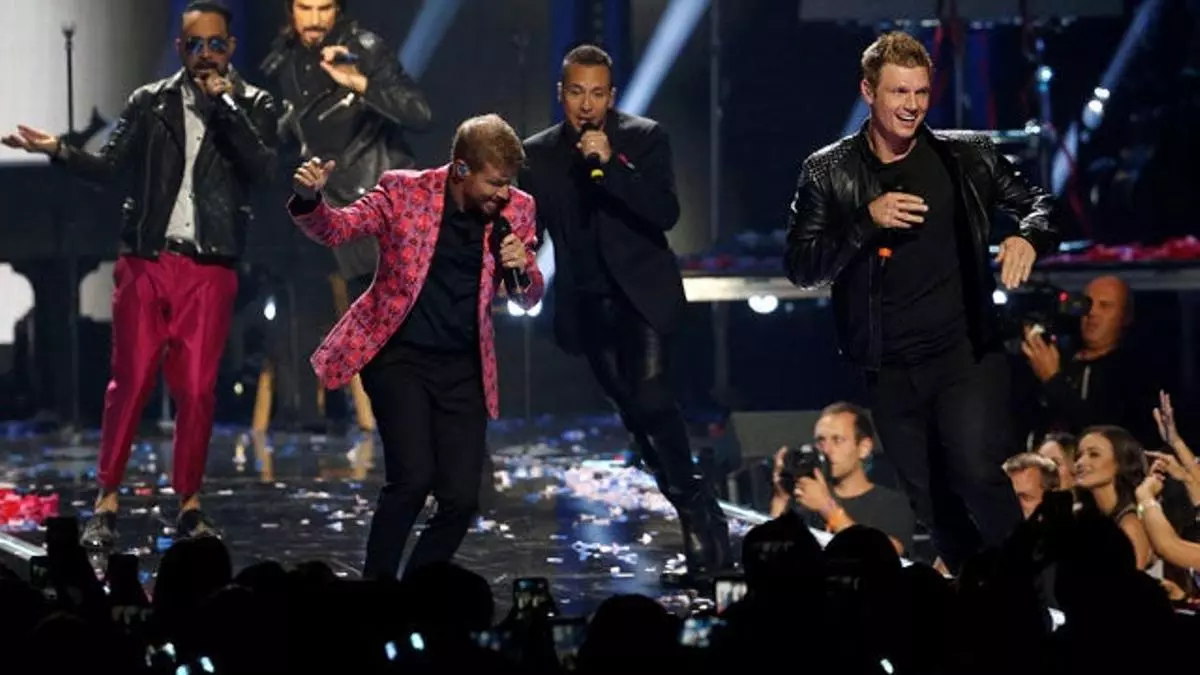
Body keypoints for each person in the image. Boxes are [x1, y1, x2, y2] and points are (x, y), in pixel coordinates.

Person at [2, 1, 278, 547]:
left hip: (210, 264)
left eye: (215, 44)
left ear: (230, 47)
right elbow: (110, 168)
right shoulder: (150, 102)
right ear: (180, 48)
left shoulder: (254, 104)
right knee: (128, 382)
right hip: (147, 259)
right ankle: (106, 497)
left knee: (196, 389)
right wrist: (58, 149)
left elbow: (263, 168)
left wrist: (225, 106)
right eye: (194, 45)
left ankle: (190, 502)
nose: (205, 55)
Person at [783, 32, 1059, 571]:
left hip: (964, 353)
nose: (912, 105)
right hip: (889, 364)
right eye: (898, 92)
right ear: (868, 91)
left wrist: (1028, 237)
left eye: (921, 92)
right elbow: (802, 266)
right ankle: (977, 588)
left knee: (976, 472)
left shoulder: (966, 156)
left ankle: (1024, 587)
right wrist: (866, 220)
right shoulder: (828, 170)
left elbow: (1040, 203)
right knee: (930, 501)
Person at [288, 114, 543, 580]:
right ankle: (378, 588)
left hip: (463, 364)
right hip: (399, 356)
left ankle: (416, 591)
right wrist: (310, 200)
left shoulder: (518, 209)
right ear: (461, 169)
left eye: (508, 183)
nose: (503, 193)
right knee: (412, 480)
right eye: (494, 182)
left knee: (462, 498)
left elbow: (527, 296)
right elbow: (338, 229)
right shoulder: (404, 192)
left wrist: (523, 268)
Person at [520, 44, 731, 581]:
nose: (586, 105)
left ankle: (694, 516)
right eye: (576, 92)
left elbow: (665, 211)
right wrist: (515, 256)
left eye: (597, 94)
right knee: (637, 419)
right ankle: (698, 503)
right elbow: (530, 230)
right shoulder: (537, 154)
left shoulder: (644, 138)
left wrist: (610, 164)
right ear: (562, 93)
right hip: (588, 303)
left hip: (644, 297)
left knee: (653, 399)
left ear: (611, 97)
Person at [262, 0, 432, 297]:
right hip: (335, 219)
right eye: (305, 8)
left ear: (338, 9)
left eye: (324, 8)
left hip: (387, 211)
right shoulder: (284, 62)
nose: (315, 20)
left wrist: (357, 81)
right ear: (290, 10)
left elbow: (420, 113)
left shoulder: (363, 50)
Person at [768, 402, 915, 555]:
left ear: (864, 448)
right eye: (821, 441)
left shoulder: (892, 504)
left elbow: (885, 556)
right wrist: (781, 498)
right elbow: (768, 555)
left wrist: (827, 509)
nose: (826, 450)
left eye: (837, 440)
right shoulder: (805, 499)